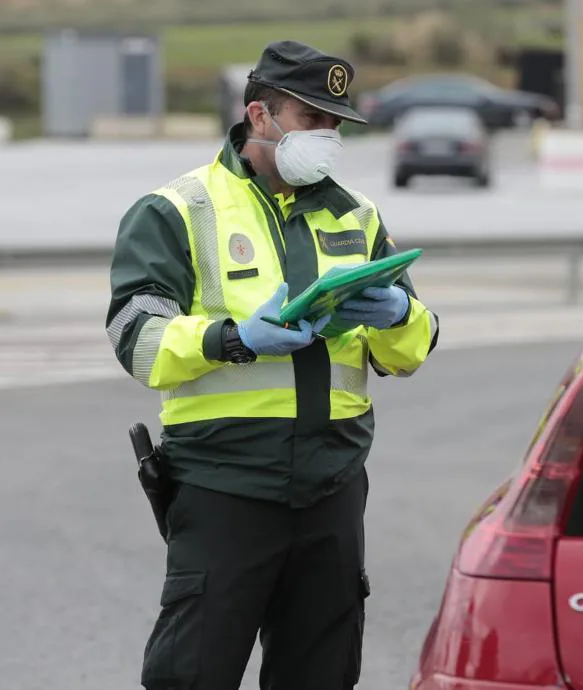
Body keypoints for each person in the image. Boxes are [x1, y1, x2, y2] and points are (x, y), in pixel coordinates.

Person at [105, 39, 440, 690]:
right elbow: (135, 337)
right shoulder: (177, 210)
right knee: (192, 676)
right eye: (313, 119)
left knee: (321, 676)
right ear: (260, 116)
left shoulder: (356, 213)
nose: (329, 136)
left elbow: (410, 353)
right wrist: (234, 339)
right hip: (223, 484)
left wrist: (399, 314)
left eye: (337, 122)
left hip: (333, 487)